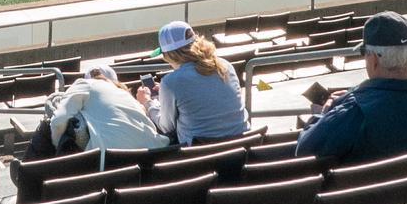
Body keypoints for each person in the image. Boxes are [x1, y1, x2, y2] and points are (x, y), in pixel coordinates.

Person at [296, 12, 407, 165]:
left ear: (374, 59)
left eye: (364, 52)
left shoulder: (355, 112)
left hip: (366, 198)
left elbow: (303, 149)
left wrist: (327, 112)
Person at [138, 22, 249, 145]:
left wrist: (148, 103)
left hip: (202, 155)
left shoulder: (171, 82)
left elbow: (166, 127)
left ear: (169, 55)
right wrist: (165, 94)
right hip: (242, 145)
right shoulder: (226, 65)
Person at [30, 62, 170, 157]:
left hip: (112, 161)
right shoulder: (129, 98)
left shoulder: (86, 84)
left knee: (49, 123)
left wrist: (57, 147)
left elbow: (59, 120)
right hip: (155, 155)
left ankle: (28, 170)